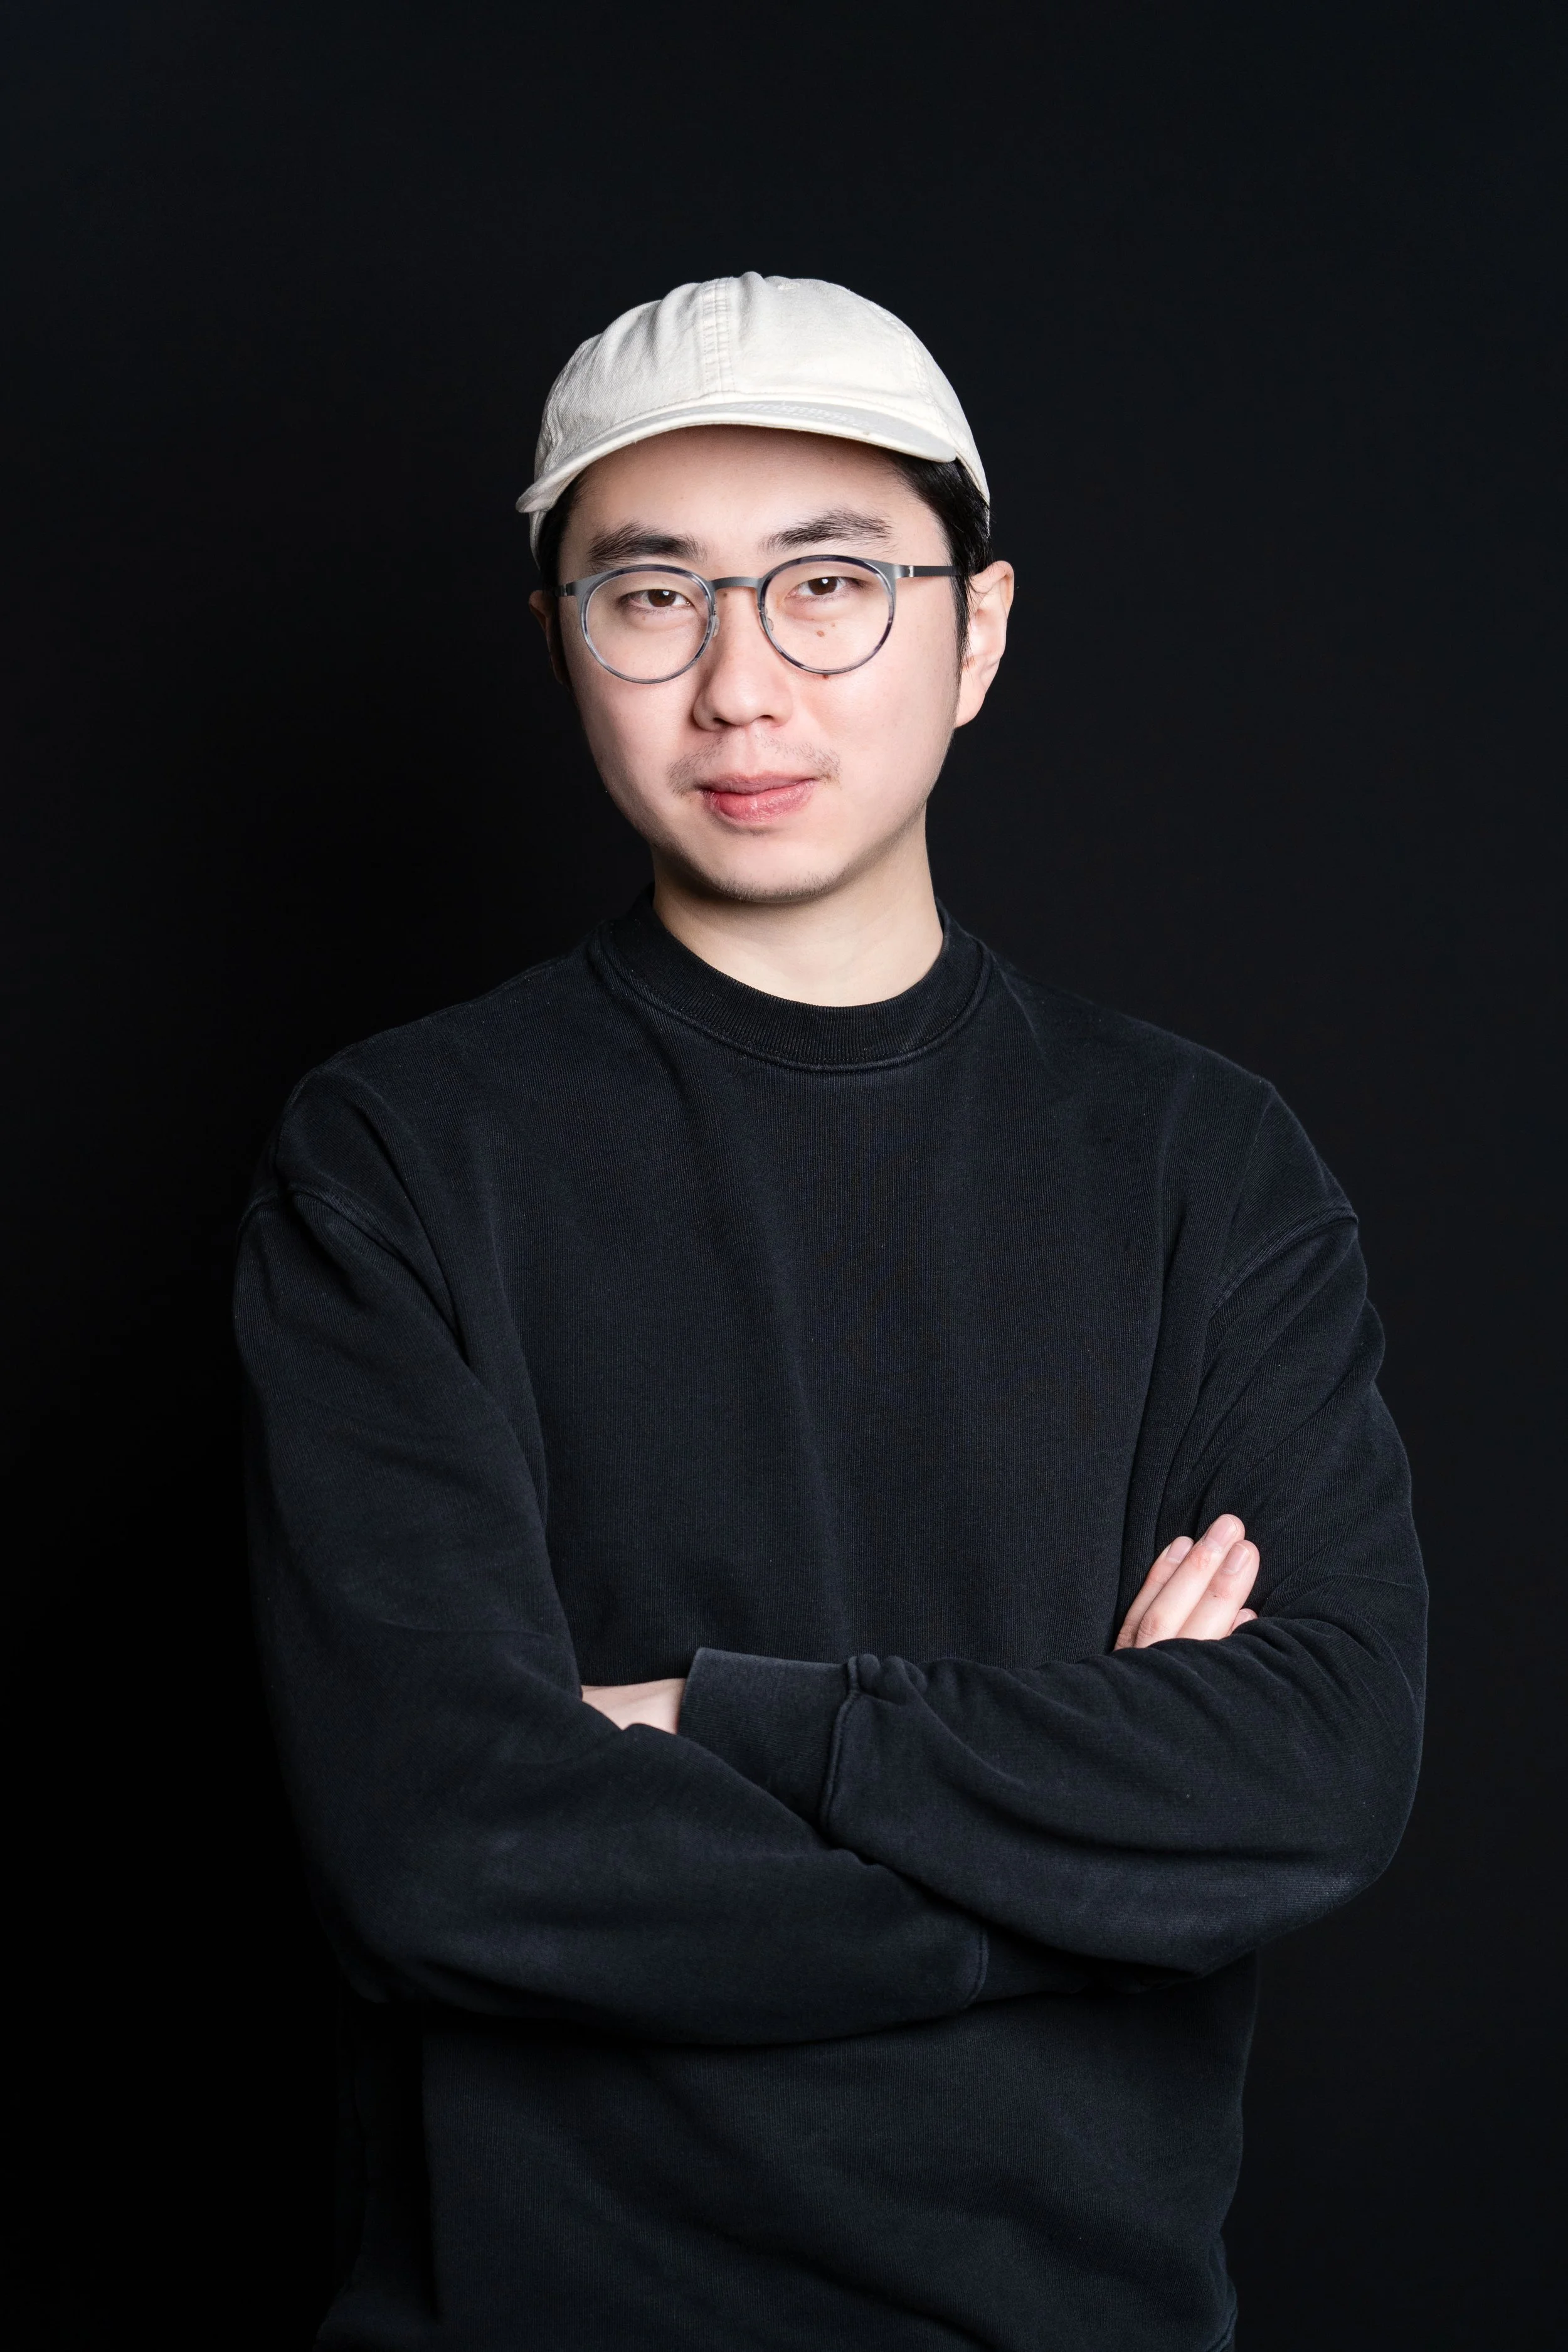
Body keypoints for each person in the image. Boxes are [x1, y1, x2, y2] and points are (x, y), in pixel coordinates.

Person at [236, 274, 1426, 2352]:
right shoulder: (397, 1154)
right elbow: (445, 1846)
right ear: (559, 645)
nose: (737, 686)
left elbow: (1315, 1764)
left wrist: (718, 1720)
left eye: (830, 585)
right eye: (649, 594)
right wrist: (1091, 1873)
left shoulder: (1199, 1161)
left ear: (974, 631)